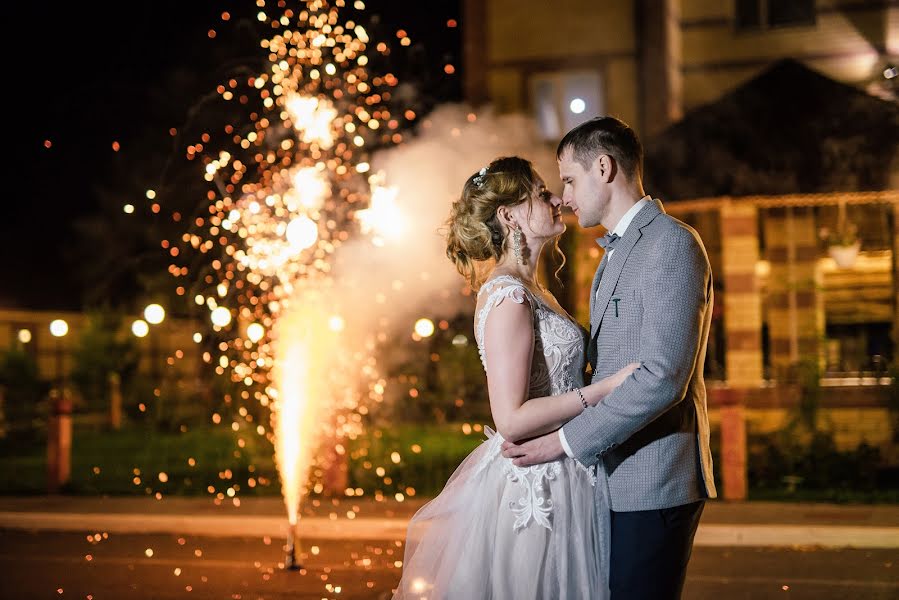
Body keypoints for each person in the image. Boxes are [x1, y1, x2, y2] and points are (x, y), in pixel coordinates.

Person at [392, 156, 637, 599]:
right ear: (508, 215)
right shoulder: (508, 296)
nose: (557, 199)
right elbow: (511, 418)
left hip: (568, 469)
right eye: (541, 194)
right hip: (536, 483)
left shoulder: (534, 290)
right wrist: (602, 391)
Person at [501, 116, 717, 600]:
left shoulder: (671, 244)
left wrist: (565, 443)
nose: (566, 196)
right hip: (609, 480)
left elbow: (662, 377)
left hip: (653, 478)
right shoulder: (615, 253)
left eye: (570, 180)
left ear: (604, 167)